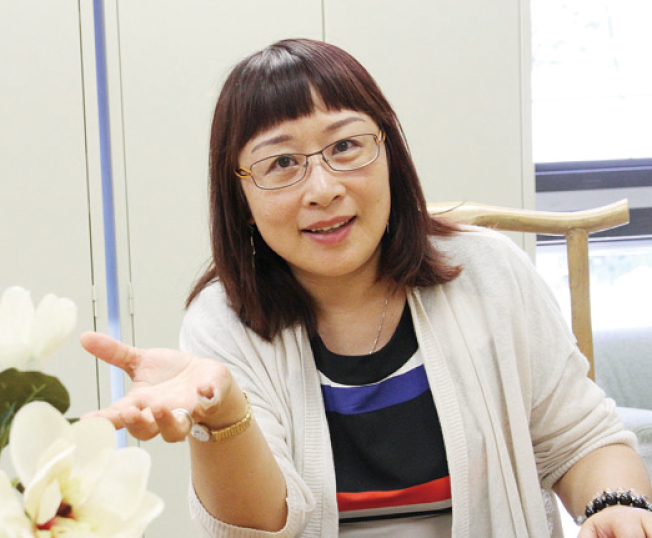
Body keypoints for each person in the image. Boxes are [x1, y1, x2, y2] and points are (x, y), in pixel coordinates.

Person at [80, 38, 652, 538]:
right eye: (282, 163)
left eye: (345, 147)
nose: (323, 189)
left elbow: (581, 440)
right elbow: (256, 528)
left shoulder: (489, 272)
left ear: (389, 154)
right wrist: (225, 412)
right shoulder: (223, 321)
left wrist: (617, 506)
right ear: (242, 199)